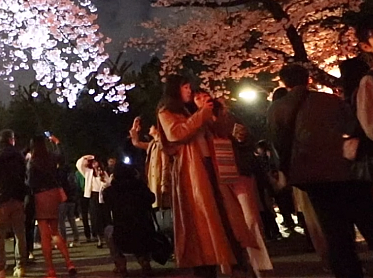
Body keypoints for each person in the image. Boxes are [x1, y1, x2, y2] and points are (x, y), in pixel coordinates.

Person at [269, 62, 373, 278]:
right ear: (308, 79)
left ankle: (348, 273)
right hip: (344, 170)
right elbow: (352, 127)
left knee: (334, 231)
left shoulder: (277, 108)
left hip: (311, 175)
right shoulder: (330, 101)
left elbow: (277, 143)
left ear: (283, 82)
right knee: (364, 218)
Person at [157, 75, 255, 278]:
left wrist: (216, 112)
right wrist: (201, 113)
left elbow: (219, 132)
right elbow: (176, 133)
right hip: (192, 171)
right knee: (201, 217)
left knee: (225, 214)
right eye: (185, 87)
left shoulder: (188, 111)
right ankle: (205, 264)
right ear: (175, 89)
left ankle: (235, 262)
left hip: (211, 166)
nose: (189, 91)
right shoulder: (166, 112)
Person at [197, 90, 273, 276]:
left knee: (250, 218)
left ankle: (258, 263)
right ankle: (230, 264)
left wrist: (241, 138)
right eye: (197, 98)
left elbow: (246, 140)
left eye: (204, 96)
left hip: (238, 173)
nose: (203, 100)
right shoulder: (198, 123)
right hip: (216, 178)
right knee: (226, 221)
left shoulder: (228, 117)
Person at [28, 135, 76, 278]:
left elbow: (30, 182)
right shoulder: (51, 158)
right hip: (54, 194)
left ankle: (51, 270)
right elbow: (62, 157)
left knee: (44, 235)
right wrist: (57, 142)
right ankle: (69, 263)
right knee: (56, 232)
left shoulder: (32, 162)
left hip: (40, 196)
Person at [0, 129, 28, 278]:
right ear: (11, 139)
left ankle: (0, 268)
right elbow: (25, 174)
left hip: (1, 198)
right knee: (20, 233)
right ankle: (20, 266)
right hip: (17, 197)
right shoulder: (19, 155)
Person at [102, 162, 154, 278]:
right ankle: (144, 261)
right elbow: (151, 198)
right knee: (141, 229)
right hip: (143, 231)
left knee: (108, 230)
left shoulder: (111, 191)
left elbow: (106, 205)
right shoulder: (140, 187)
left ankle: (121, 264)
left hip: (122, 233)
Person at [74, 154, 111, 248]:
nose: (95, 164)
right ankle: (99, 239)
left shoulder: (103, 172)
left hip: (103, 196)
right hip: (93, 196)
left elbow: (108, 183)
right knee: (96, 218)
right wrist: (86, 157)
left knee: (105, 218)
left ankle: (108, 238)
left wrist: (103, 181)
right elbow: (79, 164)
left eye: (96, 162)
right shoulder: (88, 172)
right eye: (93, 163)